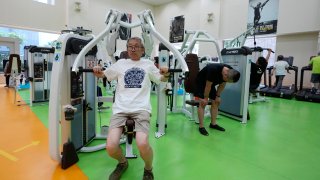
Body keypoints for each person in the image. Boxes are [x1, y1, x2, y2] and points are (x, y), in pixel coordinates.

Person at [93, 37, 170, 180]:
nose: (133, 49)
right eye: (130, 46)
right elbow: (104, 74)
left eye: (136, 46)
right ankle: (122, 162)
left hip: (141, 109)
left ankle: (148, 169)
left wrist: (166, 73)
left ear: (142, 49)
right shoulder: (121, 63)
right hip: (120, 109)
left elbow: (161, 80)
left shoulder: (148, 64)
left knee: (142, 143)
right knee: (110, 147)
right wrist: (98, 71)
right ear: (127, 49)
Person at [194, 63, 240, 136]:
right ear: (225, 75)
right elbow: (208, 86)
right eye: (228, 81)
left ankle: (213, 124)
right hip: (201, 82)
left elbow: (222, 84)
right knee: (203, 103)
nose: (227, 82)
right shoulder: (213, 70)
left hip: (211, 83)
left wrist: (218, 96)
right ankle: (201, 126)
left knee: (216, 102)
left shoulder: (230, 71)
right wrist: (205, 98)